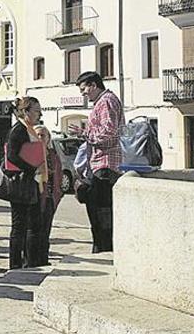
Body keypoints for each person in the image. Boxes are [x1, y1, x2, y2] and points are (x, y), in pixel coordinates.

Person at [69, 71, 124, 253]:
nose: (83, 94)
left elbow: (109, 134)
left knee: (101, 216)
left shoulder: (105, 101)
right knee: (100, 215)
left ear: (93, 85)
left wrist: (83, 134)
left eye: (84, 89)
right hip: (102, 165)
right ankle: (101, 248)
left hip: (104, 166)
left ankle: (103, 251)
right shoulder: (105, 101)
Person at [5, 97, 45, 269]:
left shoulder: (30, 129)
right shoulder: (18, 130)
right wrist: (31, 168)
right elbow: (12, 155)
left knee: (33, 225)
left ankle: (31, 261)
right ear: (26, 111)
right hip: (22, 183)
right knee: (19, 226)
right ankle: (15, 264)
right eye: (36, 110)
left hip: (33, 181)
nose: (39, 113)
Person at [34, 126, 63, 265]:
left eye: (43, 135)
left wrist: (58, 194)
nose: (40, 138)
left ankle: (43, 258)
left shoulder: (53, 156)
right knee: (34, 231)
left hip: (50, 197)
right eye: (38, 135)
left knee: (46, 231)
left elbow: (59, 175)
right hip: (35, 198)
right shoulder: (31, 154)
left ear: (48, 138)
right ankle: (32, 259)